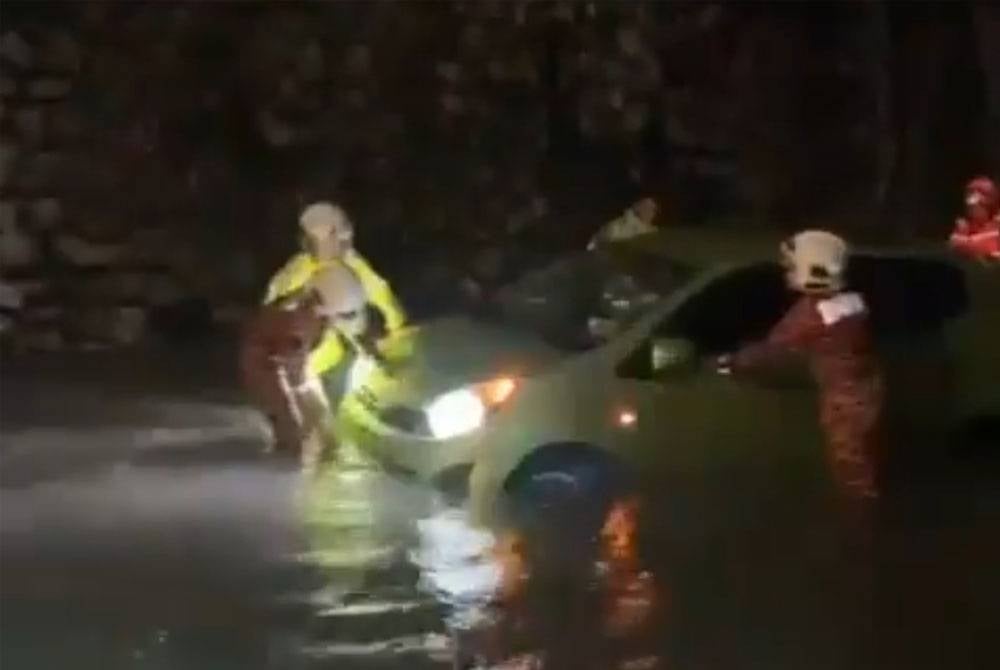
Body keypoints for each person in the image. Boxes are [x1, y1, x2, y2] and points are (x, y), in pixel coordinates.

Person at [716, 230, 883, 504]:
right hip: (869, 391)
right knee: (866, 461)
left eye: (792, 266)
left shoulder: (811, 315)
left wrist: (731, 362)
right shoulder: (851, 302)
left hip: (845, 402)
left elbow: (770, 350)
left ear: (812, 269)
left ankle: (862, 529)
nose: (787, 271)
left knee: (852, 473)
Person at [240, 263, 368, 473]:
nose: (342, 319)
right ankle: (284, 475)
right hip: (266, 368)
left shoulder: (313, 306)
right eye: (342, 314)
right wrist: (295, 415)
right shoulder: (297, 323)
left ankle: (319, 457)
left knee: (322, 422)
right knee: (293, 432)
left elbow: (344, 329)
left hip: (287, 361)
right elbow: (285, 376)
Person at [264, 201, 406, 380]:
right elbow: (271, 312)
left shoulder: (352, 264)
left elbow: (381, 295)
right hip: (298, 356)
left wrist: (399, 333)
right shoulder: (296, 272)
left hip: (334, 355)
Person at [949, 176, 1000, 262]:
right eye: (970, 207)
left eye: (978, 206)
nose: (972, 210)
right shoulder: (964, 225)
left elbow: (992, 241)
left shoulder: (996, 223)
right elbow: (955, 243)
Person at [587, 197, 659, 251]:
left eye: (653, 209)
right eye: (645, 207)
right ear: (636, 206)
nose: (650, 212)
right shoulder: (616, 227)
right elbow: (592, 246)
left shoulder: (654, 232)